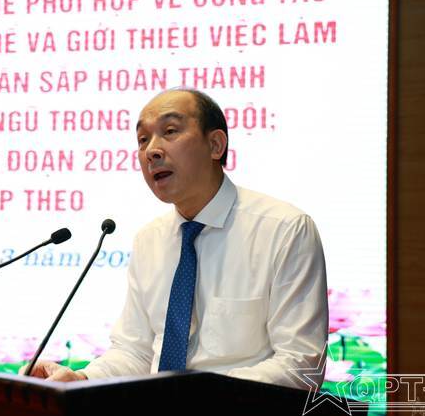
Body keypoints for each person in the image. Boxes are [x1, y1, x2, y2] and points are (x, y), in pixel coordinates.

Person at [25, 89, 329, 389]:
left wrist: (193, 398)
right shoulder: (150, 240)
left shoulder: (284, 230)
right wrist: (81, 379)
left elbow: (300, 365)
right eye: (143, 139)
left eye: (170, 131)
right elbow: (136, 352)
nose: (151, 151)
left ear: (215, 145)